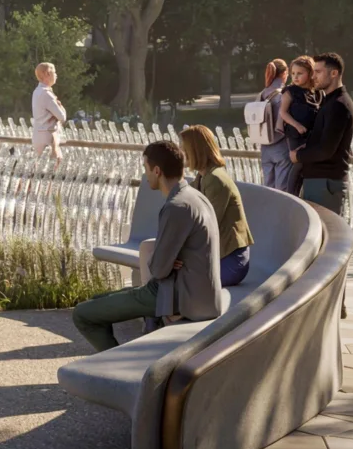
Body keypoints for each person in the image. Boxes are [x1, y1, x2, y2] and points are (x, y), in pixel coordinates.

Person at [72, 141, 223, 352]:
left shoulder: (176, 206)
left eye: (146, 169)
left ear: (157, 170)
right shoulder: (196, 197)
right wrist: (168, 260)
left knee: (83, 314)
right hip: (192, 291)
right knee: (97, 301)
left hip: (178, 297)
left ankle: (115, 366)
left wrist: (163, 261)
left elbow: (158, 269)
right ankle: (115, 359)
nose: (146, 174)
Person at [180, 125, 255, 288]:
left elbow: (207, 227)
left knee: (179, 281)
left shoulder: (215, 179)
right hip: (219, 257)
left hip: (231, 262)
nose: (181, 154)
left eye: (183, 149)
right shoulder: (203, 177)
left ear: (195, 150)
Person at [292, 52, 353, 217]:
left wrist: (298, 155)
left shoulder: (339, 105)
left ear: (334, 73)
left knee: (325, 236)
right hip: (320, 182)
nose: (314, 76)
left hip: (326, 183)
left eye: (318, 72)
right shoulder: (330, 102)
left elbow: (326, 150)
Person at [279, 55, 321, 194]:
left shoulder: (315, 93)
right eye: (293, 74)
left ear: (310, 73)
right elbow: (283, 112)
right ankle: (292, 194)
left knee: (309, 164)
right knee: (298, 162)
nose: (295, 77)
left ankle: (306, 194)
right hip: (296, 134)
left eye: (300, 73)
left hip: (311, 134)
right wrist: (297, 125)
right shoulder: (290, 91)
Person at [256, 59, 292, 192]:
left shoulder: (261, 94)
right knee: (283, 192)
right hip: (281, 146)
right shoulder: (283, 94)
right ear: (284, 74)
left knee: (269, 191)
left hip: (265, 147)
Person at [31, 62, 67, 162]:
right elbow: (62, 117)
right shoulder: (46, 93)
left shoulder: (36, 91)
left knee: (39, 171)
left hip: (38, 135)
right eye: (54, 72)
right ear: (47, 74)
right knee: (52, 171)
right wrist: (60, 106)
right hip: (49, 138)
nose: (56, 75)